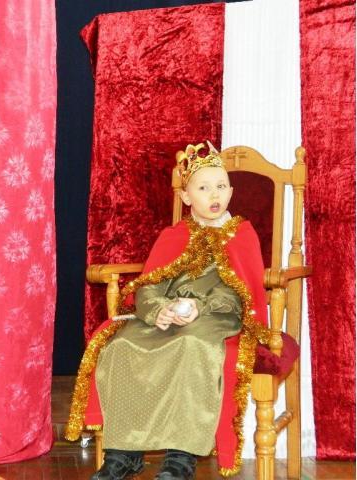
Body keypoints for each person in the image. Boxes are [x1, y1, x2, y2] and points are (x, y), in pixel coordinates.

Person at [65, 142, 270, 479]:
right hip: (170, 314)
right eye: (203, 188)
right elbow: (149, 284)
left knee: (191, 345)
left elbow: (240, 293)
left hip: (215, 317)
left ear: (231, 192)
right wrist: (159, 310)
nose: (214, 195)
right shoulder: (174, 235)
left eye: (221, 186)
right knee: (121, 346)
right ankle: (123, 453)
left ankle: (181, 456)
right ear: (186, 196)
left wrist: (199, 305)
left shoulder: (241, 235)